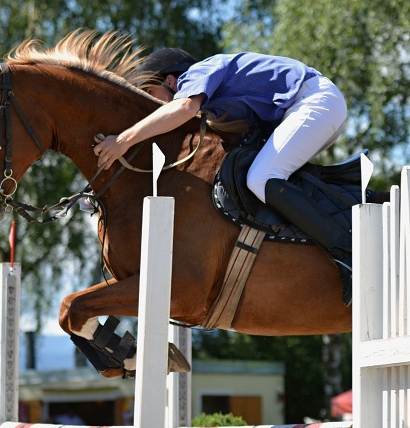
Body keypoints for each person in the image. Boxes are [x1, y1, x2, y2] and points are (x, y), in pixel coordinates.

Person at [95, 48, 353, 305]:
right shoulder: (212, 98)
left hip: (316, 101)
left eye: (151, 94)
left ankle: (347, 253)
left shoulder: (198, 72)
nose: (154, 106)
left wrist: (123, 140)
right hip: (311, 106)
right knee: (268, 174)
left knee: (262, 178)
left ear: (170, 81)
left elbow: (183, 108)